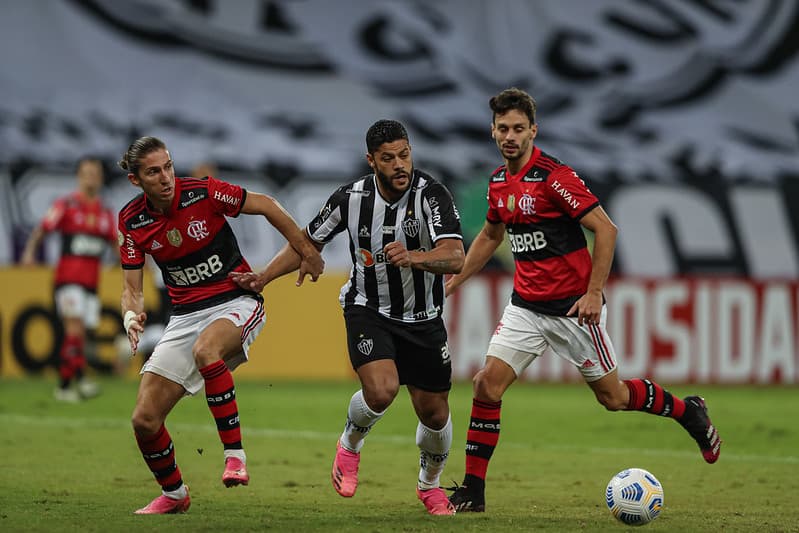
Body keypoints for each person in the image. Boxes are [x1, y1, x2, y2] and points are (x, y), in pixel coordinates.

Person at [445, 88, 722, 513]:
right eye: (503, 129)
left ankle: (689, 412)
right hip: (525, 308)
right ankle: (473, 491)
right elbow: (491, 235)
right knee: (487, 383)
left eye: (519, 128)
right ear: (493, 132)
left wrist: (594, 293)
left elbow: (606, 229)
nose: (510, 136)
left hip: (573, 308)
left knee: (612, 398)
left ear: (533, 130)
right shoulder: (499, 182)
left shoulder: (555, 178)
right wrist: (454, 281)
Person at [230, 120, 465, 516]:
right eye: (388, 158)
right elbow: (308, 241)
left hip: (423, 318)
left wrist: (415, 259)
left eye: (404, 155)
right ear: (371, 160)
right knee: (381, 390)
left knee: (435, 412)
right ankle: (350, 444)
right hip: (368, 309)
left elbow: (455, 256)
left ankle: (430, 486)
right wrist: (265, 278)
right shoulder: (350, 199)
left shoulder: (432, 195)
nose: (399, 165)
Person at [117, 136, 324, 515]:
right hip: (184, 317)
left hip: (236, 300)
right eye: (153, 172)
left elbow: (267, 205)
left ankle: (234, 456)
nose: (166, 177)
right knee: (144, 419)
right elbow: (131, 289)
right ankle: (175, 495)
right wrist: (132, 316)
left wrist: (307, 250)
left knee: (206, 351)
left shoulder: (204, 194)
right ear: (136, 181)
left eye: (168, 166)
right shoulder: (132, 220)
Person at [21, 157, 117, 402]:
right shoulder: (66, 205)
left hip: (91, 283)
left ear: (101, 178)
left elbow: (116, 245)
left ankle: (80, 380)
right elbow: (42, 229)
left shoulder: (105, 213)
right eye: (86, 173)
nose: (91, 177)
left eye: (95, 173)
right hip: (67, 280)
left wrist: (129, 263)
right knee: (74, 329)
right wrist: (30, 252)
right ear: (79, 176)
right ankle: (64, 387)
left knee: (81, 334)